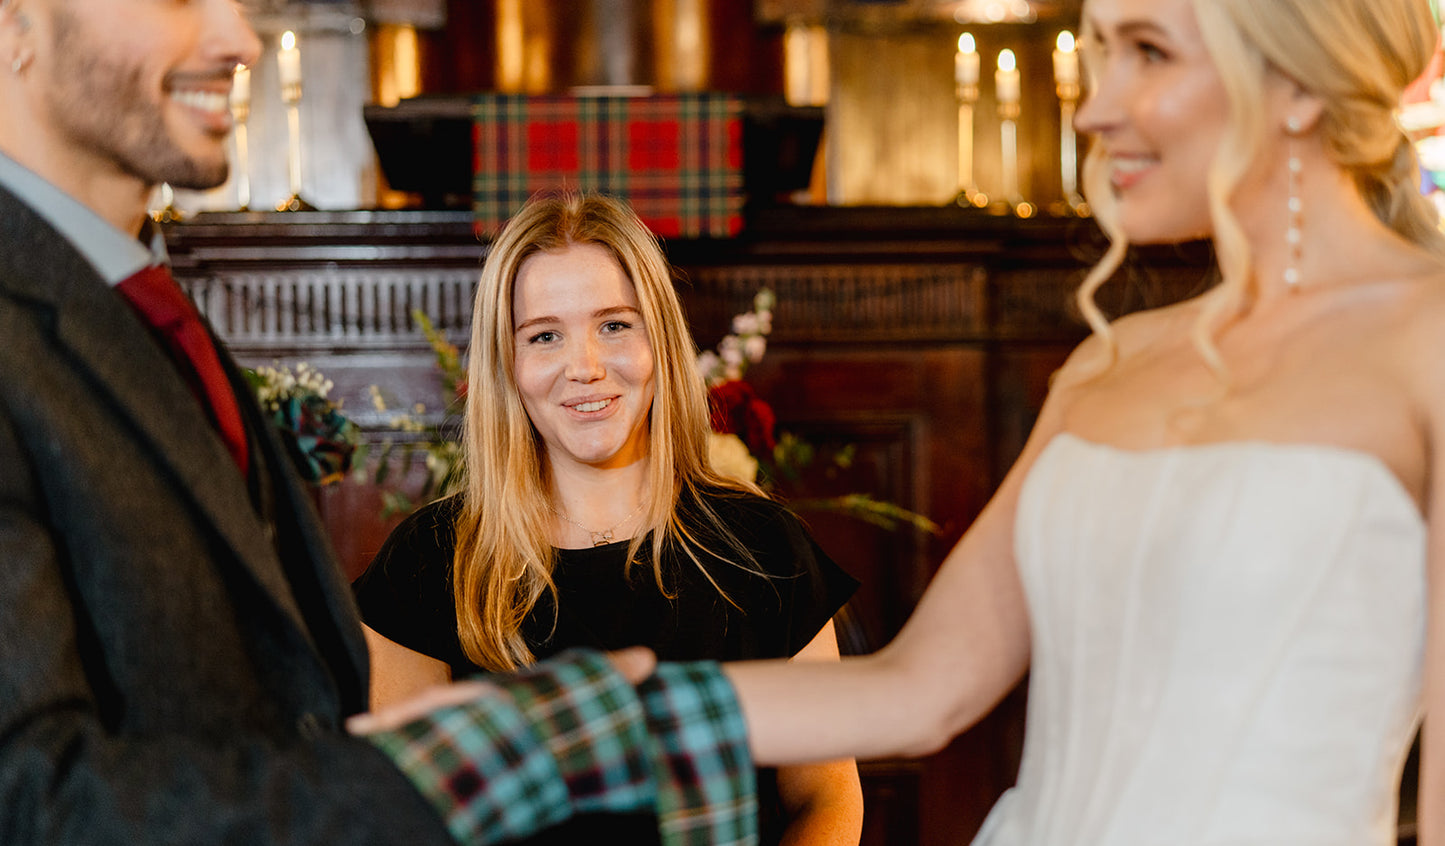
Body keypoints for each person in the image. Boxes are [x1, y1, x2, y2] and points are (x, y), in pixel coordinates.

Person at [0, 1, 760, 843]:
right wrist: (532, 746)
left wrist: (894, 698)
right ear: (13, 23)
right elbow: (32, 799)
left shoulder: (148, 314)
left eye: (615, 324)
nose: (239, 38)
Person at [719, 0, 1445, 844]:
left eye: (1149, 52)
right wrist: (613, 719)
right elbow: (916, 689)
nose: (1095, 107)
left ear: (1298, 85)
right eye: (1103, 51)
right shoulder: (1106, 362)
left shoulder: (1425, 346)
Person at [353, 192, 865, 846]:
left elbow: (823, 800)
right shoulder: (427, 561)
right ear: (507, 365)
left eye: (614, 325)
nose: (585, 368)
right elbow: (395, 823)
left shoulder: (762, 545)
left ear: (659, 341)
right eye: (544, 336)